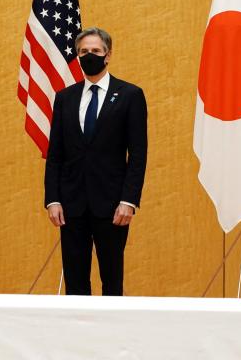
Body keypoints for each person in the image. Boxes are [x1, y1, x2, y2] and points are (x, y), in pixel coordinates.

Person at [44, 27, 147, 296]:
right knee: (75, 283)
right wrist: (52, 199)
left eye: (95, 51)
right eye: (83, 52)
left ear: (108, 55)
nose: (89, 56)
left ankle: (111, 337)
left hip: (112, 206)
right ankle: (77, 337)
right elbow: (55, 153)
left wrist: (129, 200)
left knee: (112, 281)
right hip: (71, 205)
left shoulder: (130, 95)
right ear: (77, 56)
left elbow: (138, 154)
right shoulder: (65, 98)